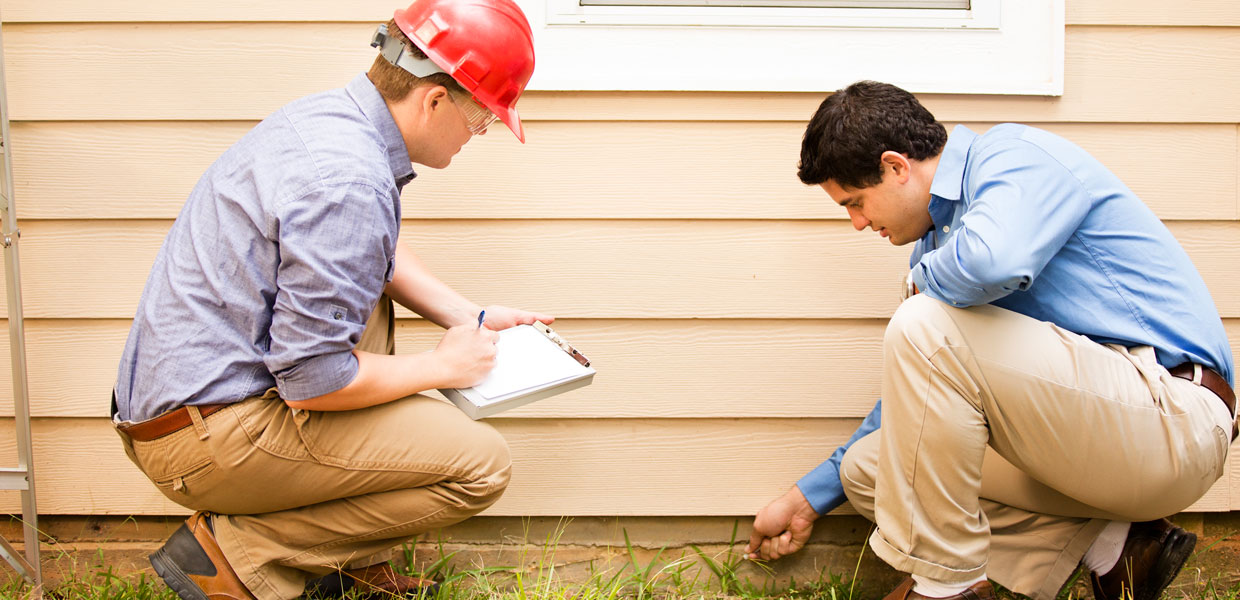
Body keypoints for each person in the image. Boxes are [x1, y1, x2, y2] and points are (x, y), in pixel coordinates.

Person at [111, 1, 547, 598]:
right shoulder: (347, 181)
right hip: (205, 439)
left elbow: (370, 253)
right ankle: (238, 558)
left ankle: (337, 563)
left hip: (188, 407)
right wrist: (443, 366)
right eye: (484, 117)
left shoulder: (332, 120)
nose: (481, 133)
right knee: (481, 467)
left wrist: (466, 315)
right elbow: (314, 380)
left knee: (363, 306)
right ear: (436, 99)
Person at [744, 81, 1236, 600]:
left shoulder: (1013, 160)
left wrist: (919, 290)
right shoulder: (936, 256)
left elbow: (995, 261)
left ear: (895, 166)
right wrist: (805, 499)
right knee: (874, 466)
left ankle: (947, 588)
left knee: (922, 324)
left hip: (1172, 419)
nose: (859, 223)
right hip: (1100, 446)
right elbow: (917, 403)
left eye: (856, 202)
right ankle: (1115, 545)